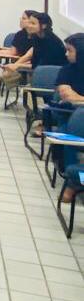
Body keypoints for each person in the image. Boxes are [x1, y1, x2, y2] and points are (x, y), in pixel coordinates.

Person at [52, 34, 84, 203]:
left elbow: (75, 97)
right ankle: (73, 183)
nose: (66, 54)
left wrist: (79, 98)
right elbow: (67, 95)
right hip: (70, 116)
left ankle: (78, 182)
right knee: (68, 136)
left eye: (70, 51)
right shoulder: (66, 70)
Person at [0, 11, 66, 89]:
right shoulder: (36, 37)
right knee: (13, 72)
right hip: (40, 69)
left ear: (44, 26)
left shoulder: (52, 42)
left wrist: (17, 65)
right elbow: (34, 61)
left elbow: (41, 66)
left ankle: (3, 80)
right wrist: (15, 65)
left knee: (16, 73)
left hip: (53, 73)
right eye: (29, 23)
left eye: (33, 23)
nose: (29, 26)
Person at [0, 10, 36, 84]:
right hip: (22, 60)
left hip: (33, 62)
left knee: (14, 69)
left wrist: (15, 65)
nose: (20, 20)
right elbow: (13, 52)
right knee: (13, 69)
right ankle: (1, 79)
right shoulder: (20, 34)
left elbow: (28, 56)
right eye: (21, 18)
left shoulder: (37, 36)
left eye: (24, 18)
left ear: (31, 21)